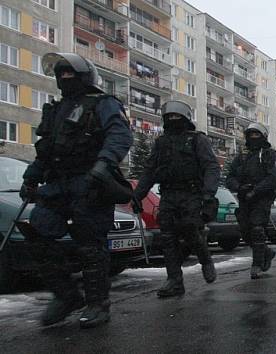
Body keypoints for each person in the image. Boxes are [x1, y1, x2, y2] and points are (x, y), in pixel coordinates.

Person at [19, 53, 132, 328]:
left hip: (90, 183)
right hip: (57, 185)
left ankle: (98, 304)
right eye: (61, 74)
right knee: (37, 232)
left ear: (85, 76)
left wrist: (104, 164)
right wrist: (31, 178)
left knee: (90, 245)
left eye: (71, 73)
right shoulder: (56, 110)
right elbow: (45, 149)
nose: (65, 78)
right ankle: (66, 296)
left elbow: (120, 135)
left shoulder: (103, 104)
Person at [133, 101, 220, 296]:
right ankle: (174, 280)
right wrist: (138, 195)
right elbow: (149, 170)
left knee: (191, 230)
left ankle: (205, 259)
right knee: (168, 237)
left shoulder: (197, 140)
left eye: (176, 116)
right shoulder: (161, 142)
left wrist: (208, 194)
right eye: (169, 117)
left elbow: (211, 167)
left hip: (192, 193)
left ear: (186, 118)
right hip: (169, 194)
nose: (173, 120)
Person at [225, 122, 276, 279]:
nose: (253, 137)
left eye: (256, 134)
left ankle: (256, 264)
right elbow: (229, 177)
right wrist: (240, 187)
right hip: (244, 198)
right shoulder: (242, 156)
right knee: (245, 230)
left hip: (262, 199)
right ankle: (267, 252)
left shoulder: (270, 155)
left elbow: (274, 178)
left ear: (263, 137)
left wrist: (256, 190)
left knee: (257, 229)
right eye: (251, 135)